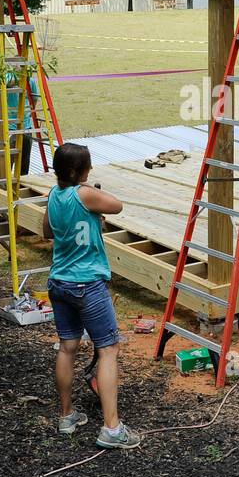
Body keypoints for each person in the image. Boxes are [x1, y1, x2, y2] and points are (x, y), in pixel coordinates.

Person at [42, 144, 140, 448]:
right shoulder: (83, 194)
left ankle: (67, 416)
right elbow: (117, 205)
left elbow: (48, 231)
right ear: (75, 172)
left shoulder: (54, 195)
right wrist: (88, 198)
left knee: (67, 347)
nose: (90, 172)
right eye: (87, 168)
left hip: (59, 282)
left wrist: (85, 221)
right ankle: (112, 429)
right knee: (108, 350)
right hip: (87, 284)